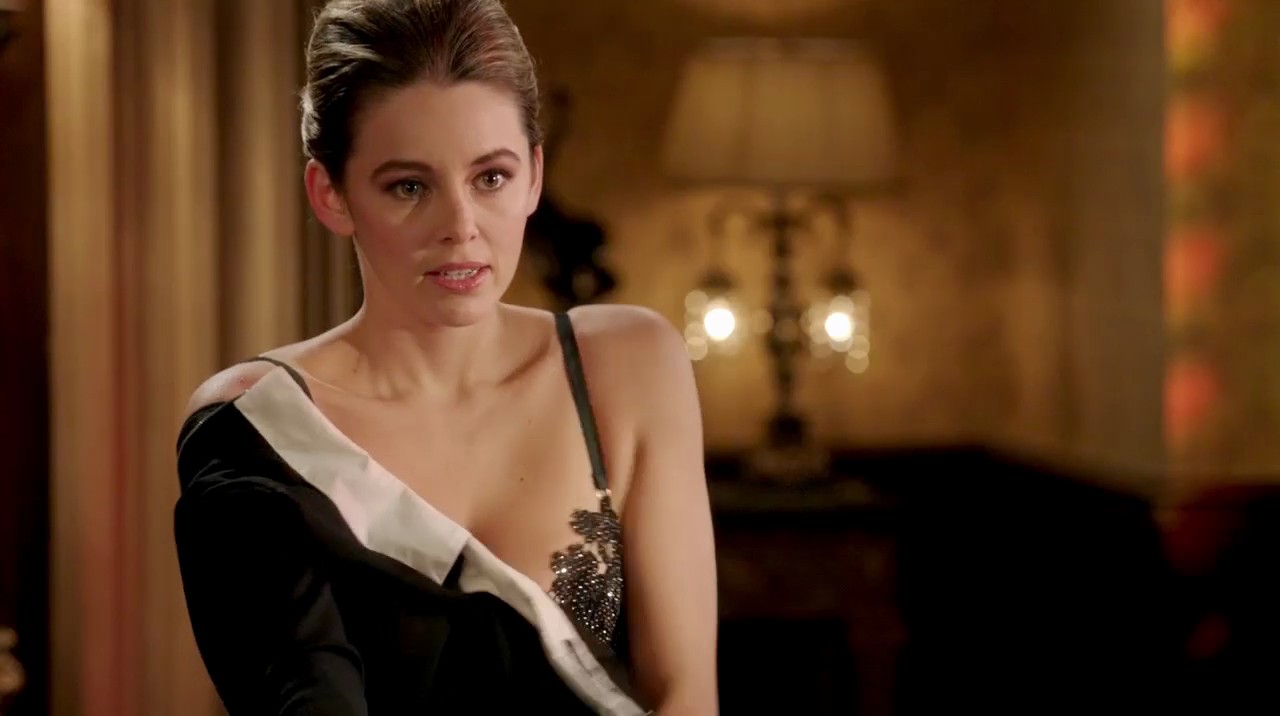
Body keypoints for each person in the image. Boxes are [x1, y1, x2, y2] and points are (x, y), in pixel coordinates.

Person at [172, 0, 718, 713]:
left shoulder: (629, 365)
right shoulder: (258, 427)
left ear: (534, 175)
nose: (460, 227)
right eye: (409, 186)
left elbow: (685, 693)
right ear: (330, 195)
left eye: (490, 178)